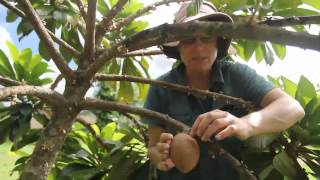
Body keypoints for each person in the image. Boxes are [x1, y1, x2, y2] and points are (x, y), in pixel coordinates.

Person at [142, 1, 305, 179]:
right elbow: (153, 146)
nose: (198, 48)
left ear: (218, 42)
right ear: (178, 46)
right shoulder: (161, 88)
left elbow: (292, 108)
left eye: (207, 37)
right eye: (189, 39)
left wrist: (246, 124)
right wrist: (161, 155)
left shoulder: (237, 76)